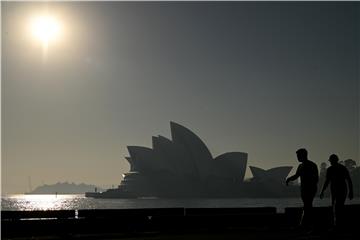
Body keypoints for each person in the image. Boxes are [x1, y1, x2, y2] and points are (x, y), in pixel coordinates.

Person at [286, 148, 319, 227]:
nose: (297, 158)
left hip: (310, 189)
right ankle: (307, 224)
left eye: (298, 156)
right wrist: (289, 179)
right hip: (303, 189)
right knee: (307, 206)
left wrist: (312, 187)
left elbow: (316, 178)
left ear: (303, 155)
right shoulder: (300, 166)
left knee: (307, 206)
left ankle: (305, 224)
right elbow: (297, 175)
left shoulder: (312, 165)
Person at [320, 154, 353, 227]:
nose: (330, 162)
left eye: (331, 161)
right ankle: (339, 224)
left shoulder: (330, 169)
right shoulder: (342, 168)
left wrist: (322, 191)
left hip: (337, 190)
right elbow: (349, 180)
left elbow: (327, 182)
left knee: (337, 207)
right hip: (341, 190)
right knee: (338, 207)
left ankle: (337, 225)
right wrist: (351, 191)